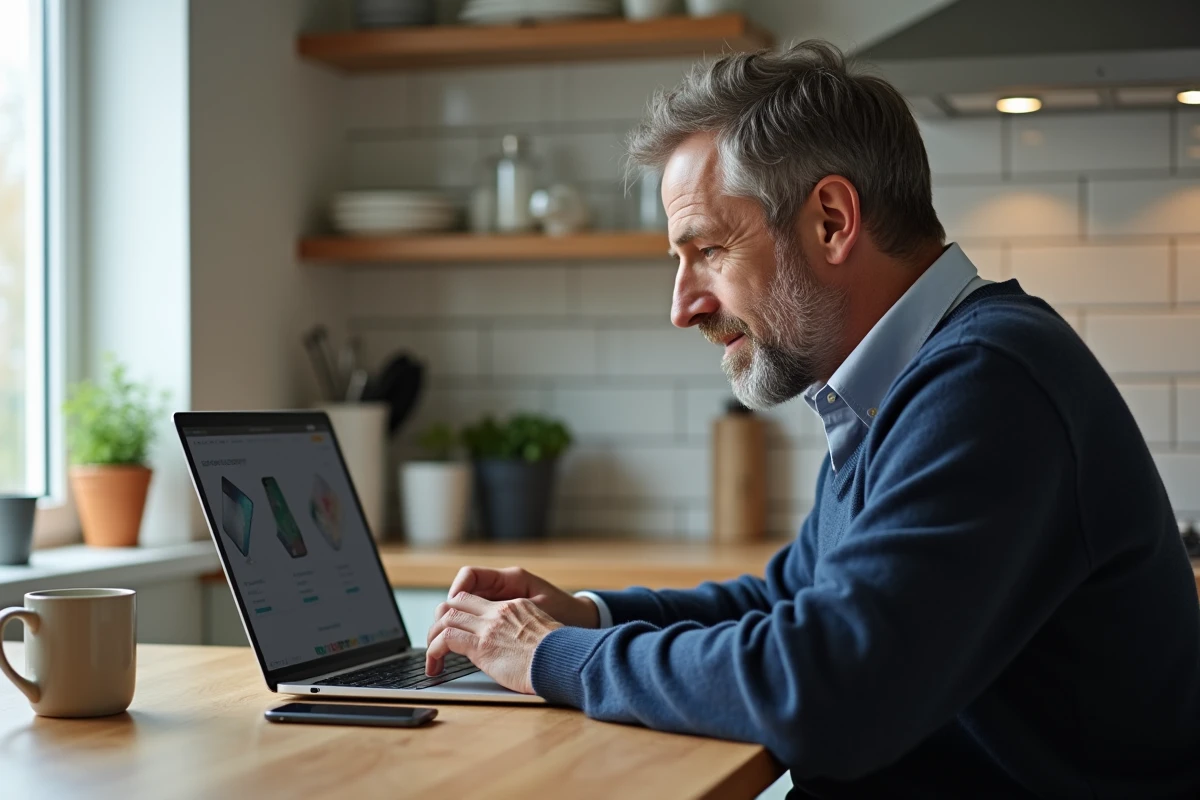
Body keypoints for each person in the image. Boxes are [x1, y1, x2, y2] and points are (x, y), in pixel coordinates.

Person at [423, 41, 1200, 796]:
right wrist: (586, 614)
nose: (682, 305)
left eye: (710, 251)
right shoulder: (905, 383)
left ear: (831, 220)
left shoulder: (989, 384)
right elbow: (787, 603)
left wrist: (554, 655)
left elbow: (826, 690)